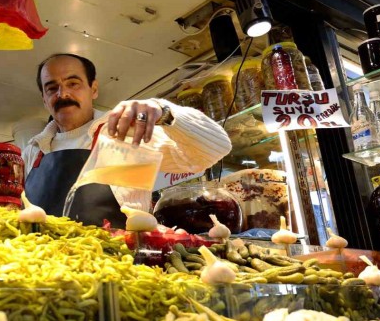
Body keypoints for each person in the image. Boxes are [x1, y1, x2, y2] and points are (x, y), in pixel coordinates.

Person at [22, 53, 232, 228]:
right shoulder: (32, 151)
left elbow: (216, 148)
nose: (63, 94)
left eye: (73, 83)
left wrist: (164, 112)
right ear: (44, 99)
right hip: (42, 261)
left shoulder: (127, 131)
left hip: (120, 258)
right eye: (52, 88)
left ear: (93, 89)